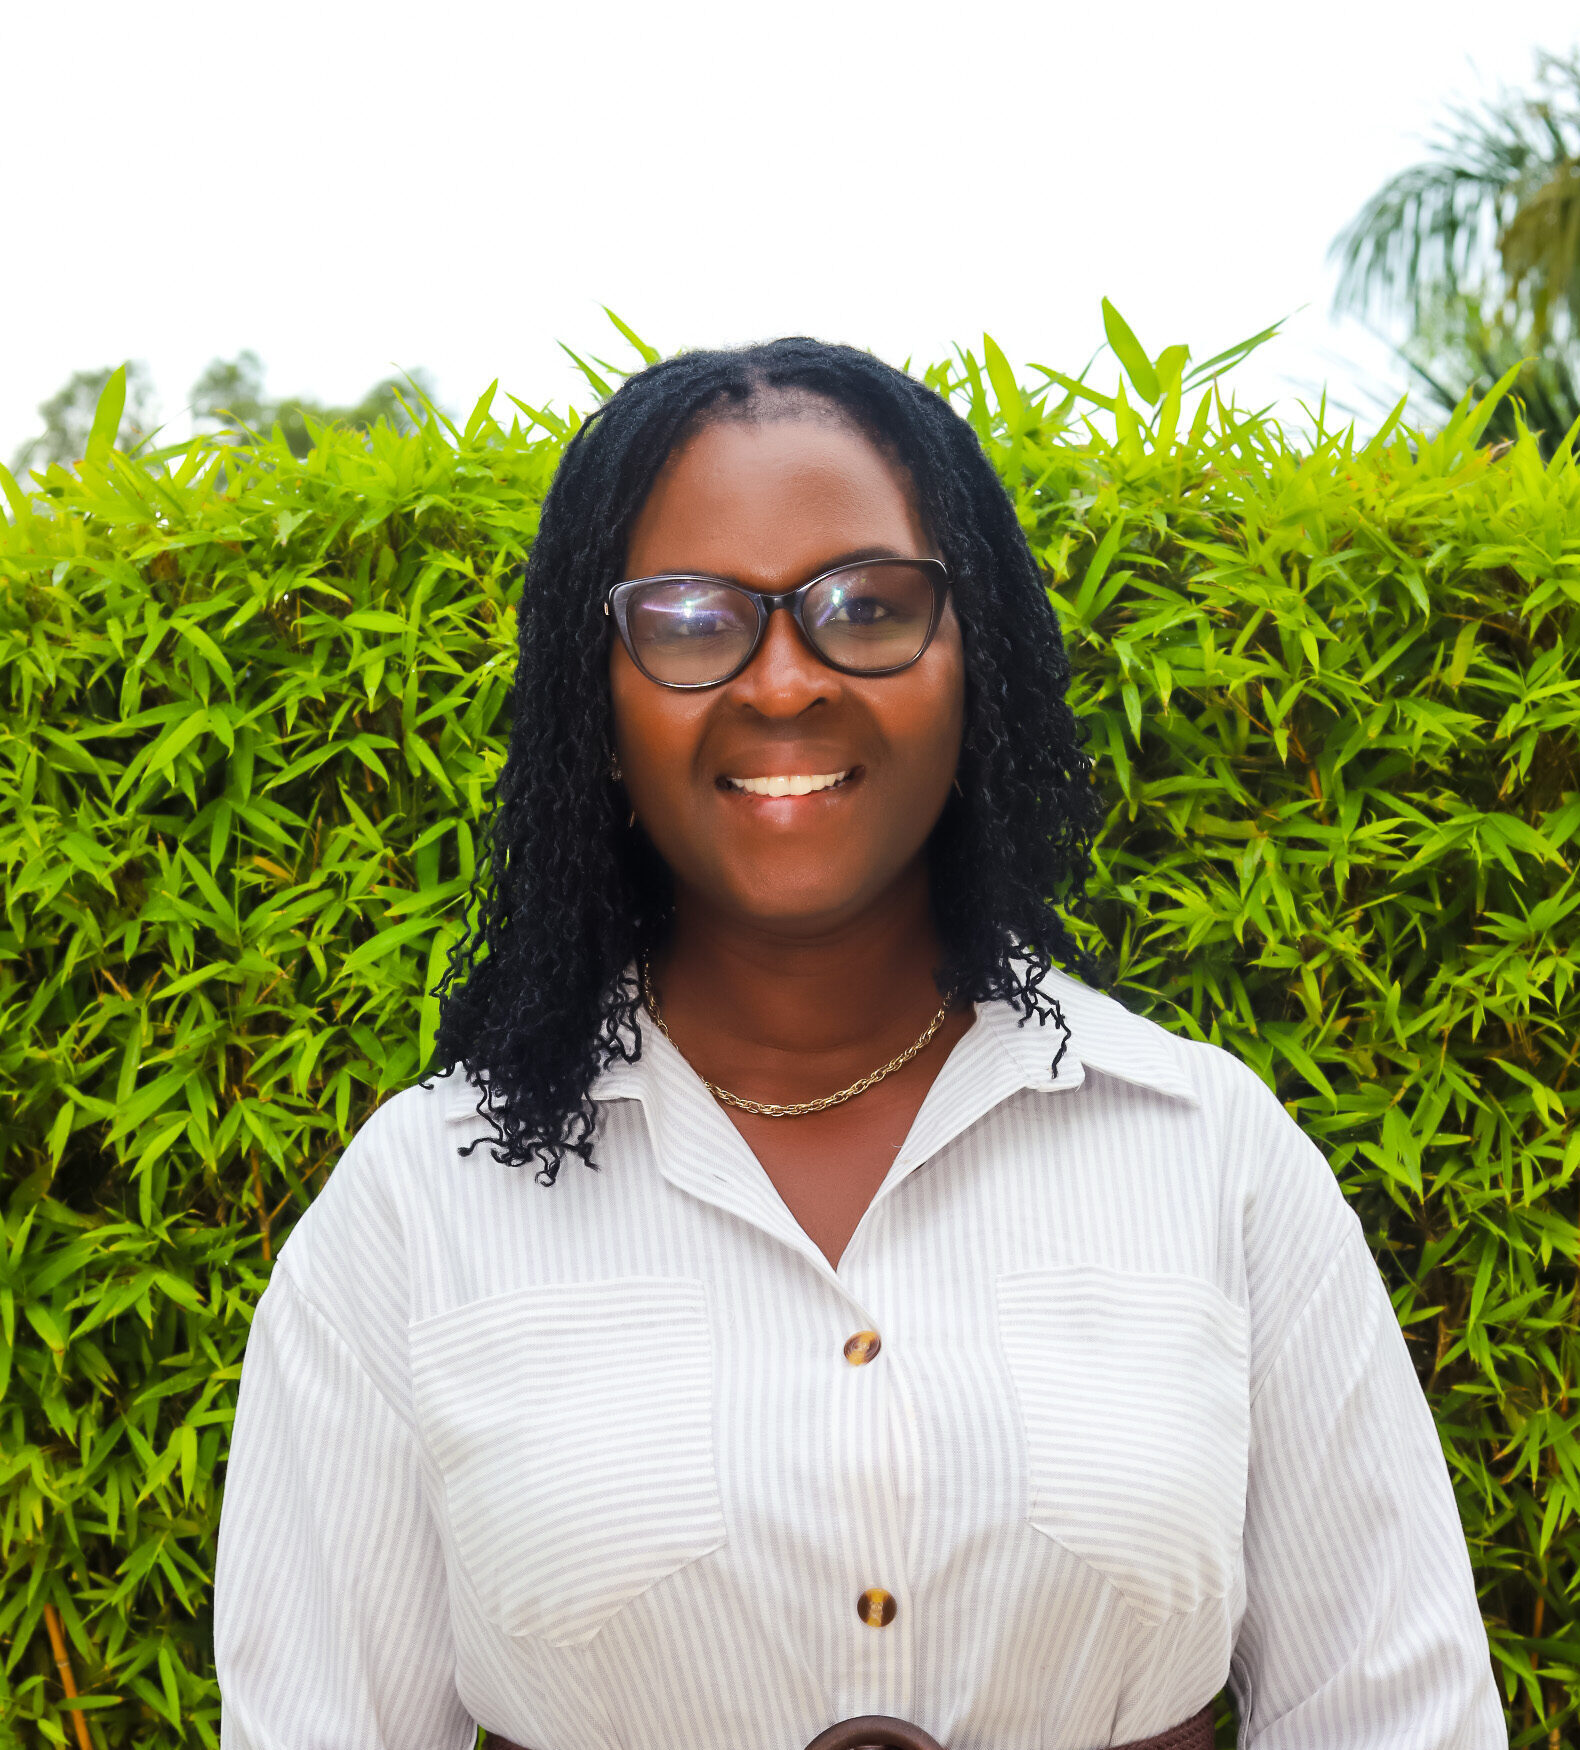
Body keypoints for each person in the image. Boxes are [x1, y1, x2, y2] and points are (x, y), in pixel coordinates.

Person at [213, 339, 1505, 1750]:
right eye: (692, 620)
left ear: (974, 662)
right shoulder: (422, 1202)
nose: (783, 683)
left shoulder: (1207, 1152)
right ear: (600, 699)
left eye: (867, 606)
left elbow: (1398, 1713)